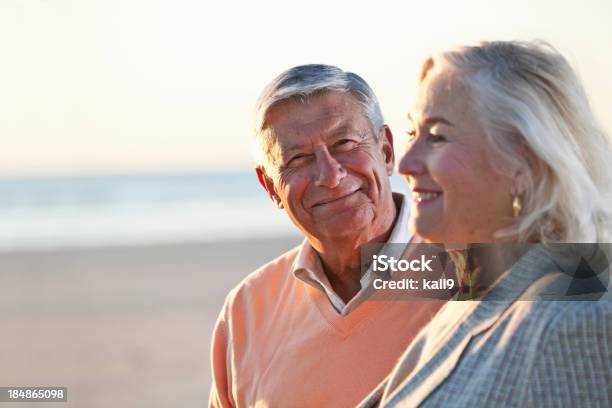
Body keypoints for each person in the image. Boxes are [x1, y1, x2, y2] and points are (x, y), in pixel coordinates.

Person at [359, 41, 612, 407]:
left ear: (523, 164)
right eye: (413, 134)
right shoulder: (477, 295)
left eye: (438, 137)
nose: (405, 164)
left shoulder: (576, 320)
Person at [208, 65, 443, 407]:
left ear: (387, 151)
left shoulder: (473, 271)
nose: (330, 175)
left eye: (344, 143)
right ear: (270, 186)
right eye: (299, 158)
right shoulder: (246, 309)